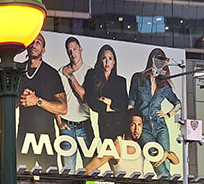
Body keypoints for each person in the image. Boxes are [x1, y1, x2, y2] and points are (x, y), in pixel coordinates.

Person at [17, 33, 67, 171]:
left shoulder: (51, 74)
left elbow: (63, 108)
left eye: (38, 42)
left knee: (50, 178)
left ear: (43, 50)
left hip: (46, 137)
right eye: (32, 41)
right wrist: (22, 98)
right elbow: (8, 104)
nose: (34, 45)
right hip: (24, 136)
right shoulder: (18, 71)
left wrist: (37, 101)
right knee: (21, 178)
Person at [127, 48, 181, 176]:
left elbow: (178, 104)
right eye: (156, 60)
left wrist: (168, 115)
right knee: (155, 156)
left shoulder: (164, 85)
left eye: (161, 61)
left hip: (160, 125)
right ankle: (169, 181)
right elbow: (131, 104)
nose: (158, 64)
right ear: (151, 60)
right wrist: (130, 126)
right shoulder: (138, 78)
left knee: (165, 161)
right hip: (144, 125)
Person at [57, 36, 94, 172]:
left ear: (81, 49)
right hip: (66, 126)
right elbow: (56, 98)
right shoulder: (60, 71)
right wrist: (59, 122)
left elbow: (84, 97)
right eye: (69, 51)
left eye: (75, 49)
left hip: (85, 125)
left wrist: (70, 76)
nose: (72, 53)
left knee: (90, 170)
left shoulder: (90, 72)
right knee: (68, 171)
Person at [85, 44, 128, 142]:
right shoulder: (93, 76)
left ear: (114, 62)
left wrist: (107, 100)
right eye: (104, 58)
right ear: (100, 60)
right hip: (104, 123)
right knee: (106, 149)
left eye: (110, 58)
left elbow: (123, 104)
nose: (107, 62)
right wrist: (110, 108)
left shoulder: (121, 81)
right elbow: (91, 100)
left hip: (120, 122)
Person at [84, 110, 146, 175]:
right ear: (126, 125)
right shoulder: (117, 145)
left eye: (139, 125)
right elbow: (89, 168)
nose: (137, 130)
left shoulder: (142, 142)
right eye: (132, 125)